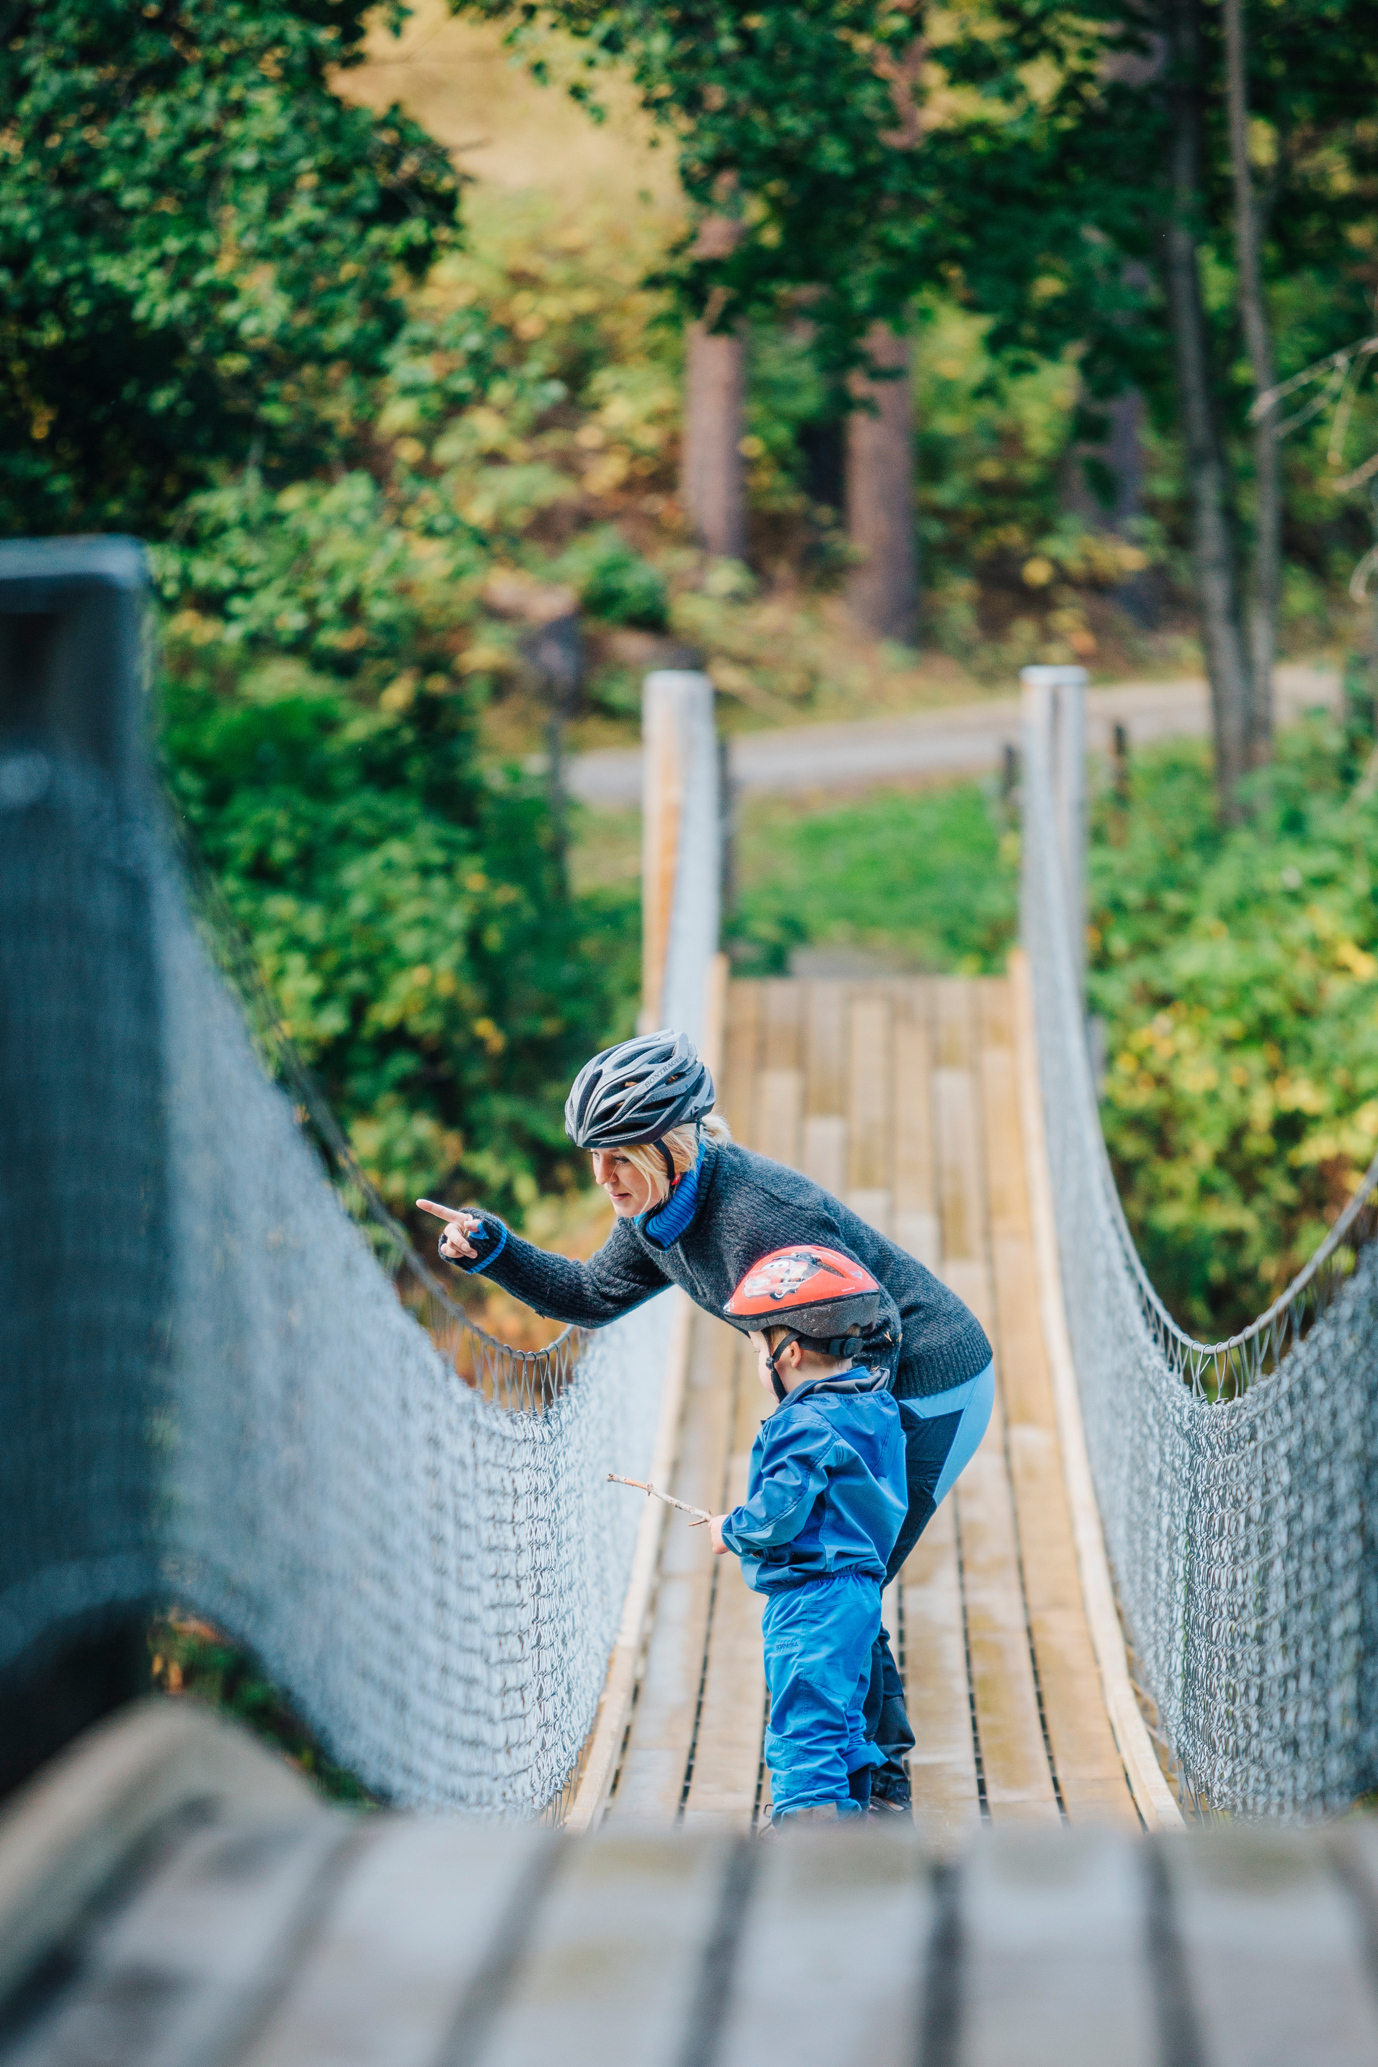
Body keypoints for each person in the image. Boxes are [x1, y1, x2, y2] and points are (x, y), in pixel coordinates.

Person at [417, 1026, 994, 1816]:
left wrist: (821, 1437)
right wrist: (496, 1250)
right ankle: (864, 1781)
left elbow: (877, 1321)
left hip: (931, 1381)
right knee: (837, 1575)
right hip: (857, 1387)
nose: (603, 1175)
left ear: (672, 1144)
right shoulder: (657, 1217)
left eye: (621, 1154)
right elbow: (590, 1295)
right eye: (595, 1155)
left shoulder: (761, 1215)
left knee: (840, 1573)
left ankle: (865, 1790)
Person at [707, 1247, 908, 1825]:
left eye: (757, 1350)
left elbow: (781, 1513)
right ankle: (852, 1830)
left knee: (803, 1722)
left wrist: (732, 1529)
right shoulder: (875, 1405)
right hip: (859, 1594)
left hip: (811, 1599)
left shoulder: (802, 1424)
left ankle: (805, 1848)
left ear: (787, 1352)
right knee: (842, 1716)